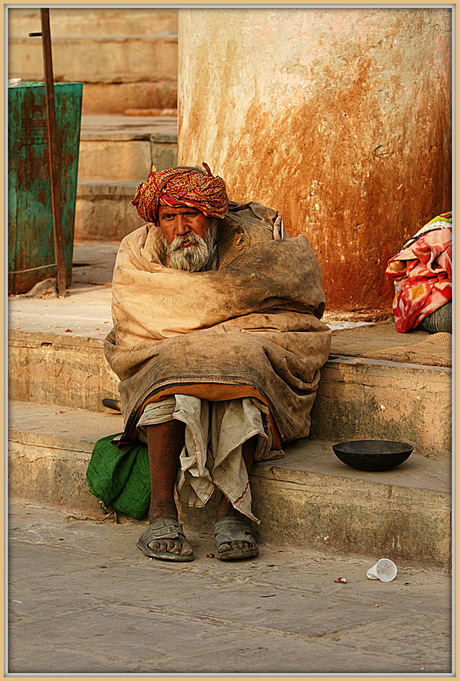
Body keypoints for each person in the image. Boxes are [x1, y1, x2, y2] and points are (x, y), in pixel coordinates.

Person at [102, 164, 331, 562]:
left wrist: (215, 333)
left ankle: (232, 513)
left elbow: (292, 296)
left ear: (212, 215)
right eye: (169, 218)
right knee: (168, 365)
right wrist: (215, 328)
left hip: (245, 349)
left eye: (190, 214)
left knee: (244, 361)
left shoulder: (253, 238)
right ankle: (161, 513)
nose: (181, 228)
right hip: (160, 350)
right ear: (157, 222)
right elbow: (138, 313)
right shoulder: (137, 252)